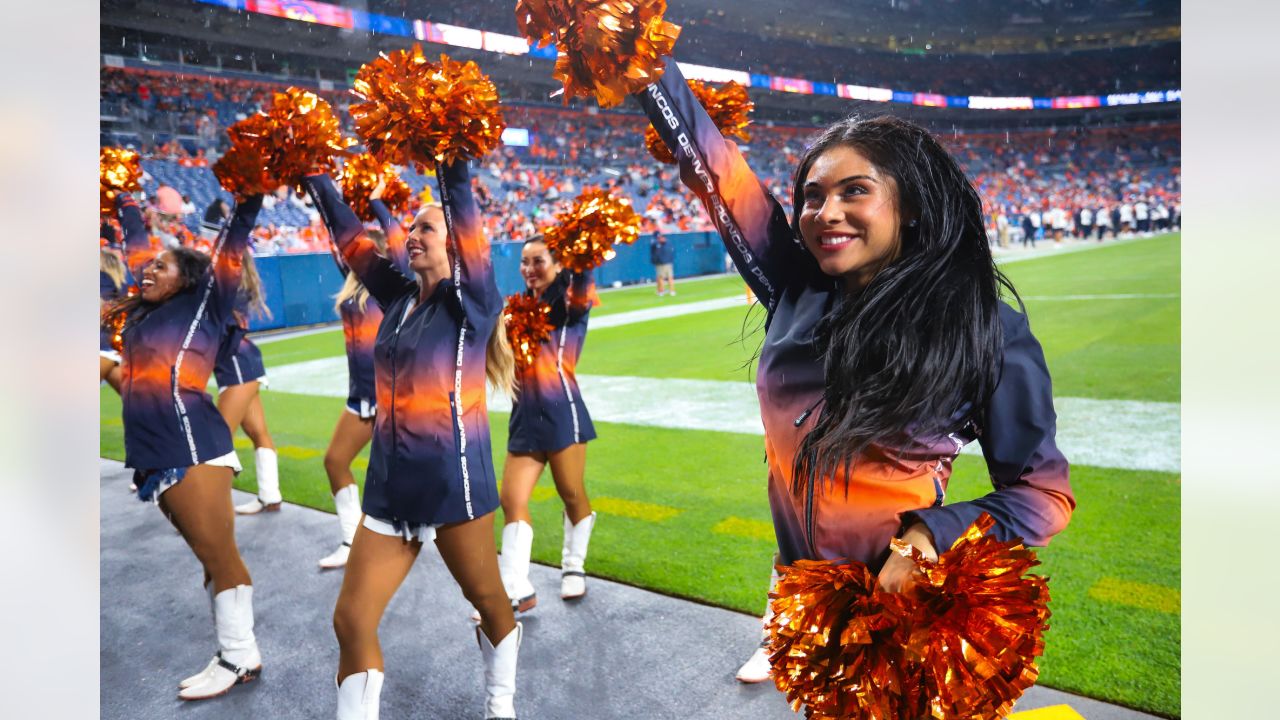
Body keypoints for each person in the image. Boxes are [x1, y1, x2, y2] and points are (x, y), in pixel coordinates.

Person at [635, 61, 1074, 673]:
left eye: (855, 191)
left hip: (911, 619)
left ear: (911, 208)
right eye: (812, 196)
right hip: (809, 608)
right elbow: (715, 173)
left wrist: (929, 538)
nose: (825, 212)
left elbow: (1044, 494)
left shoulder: (984, 327)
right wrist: (637, 55)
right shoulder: (795, 288)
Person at [303, 163, 523, 720]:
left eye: (427, 228)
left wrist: (451, 157)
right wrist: (315, 177)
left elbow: (466, 223)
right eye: (412, 228)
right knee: (350, 620)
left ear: (456, 246)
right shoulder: (398, 298)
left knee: (490, 602)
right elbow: (353, 244)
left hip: (455, 490)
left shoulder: (471, 305)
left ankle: (501, 704)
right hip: (388, 491)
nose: (413, 235)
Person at [102, 190, 266, 701]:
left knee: (220, 555)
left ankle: (239, 655)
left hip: (192, 447)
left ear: (189, 280)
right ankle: (232, 649)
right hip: (160, 452)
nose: (148, 269)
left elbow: (232, 244)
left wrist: (251, 190)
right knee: (208, 557)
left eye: (162, 266)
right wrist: (125, 198)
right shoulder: (144, 315)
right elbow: (135, 246)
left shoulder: (202, 304)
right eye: (148, 266)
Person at [492, 236, 599, 613]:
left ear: (556, 264)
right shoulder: (517, 308)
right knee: (512, 500)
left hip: (560, 411)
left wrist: (584, 252)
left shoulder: (570, 304)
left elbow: (582, 287)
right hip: (523, 416)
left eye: (538, 261)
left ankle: (573, 565)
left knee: (571, 493)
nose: (529, 269)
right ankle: (515, 586)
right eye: (524, 262)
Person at [318, 181, 409, 569]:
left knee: (402, 480)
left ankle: (428, 542)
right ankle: (350, 538)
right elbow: (333, 230)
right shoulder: (349, 282)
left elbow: (400, 243)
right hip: (361, 399)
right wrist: (322, 190)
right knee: (335, 461)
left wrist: (376, 202)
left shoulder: (394, 286)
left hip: (394, 401)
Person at [214, 253, 283, 516]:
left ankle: (212, 510)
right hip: (242, 363)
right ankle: (270, 496)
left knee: (217, 439)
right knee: (258, 432)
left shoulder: (227, 288)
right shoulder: (235, 285)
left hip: (236, 365)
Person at [99, 244, 132, 393]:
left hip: (99, 347)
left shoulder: (102, 282)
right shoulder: (122, 289)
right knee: (136, 403)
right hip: (113, 350)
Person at [649, 230, 676, 296]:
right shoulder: (656, 243)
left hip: (664, 263)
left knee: (665, 277)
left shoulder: (658, 243)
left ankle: (666, 291)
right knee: (663, 277)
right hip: (664, 263)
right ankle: (664, 290)